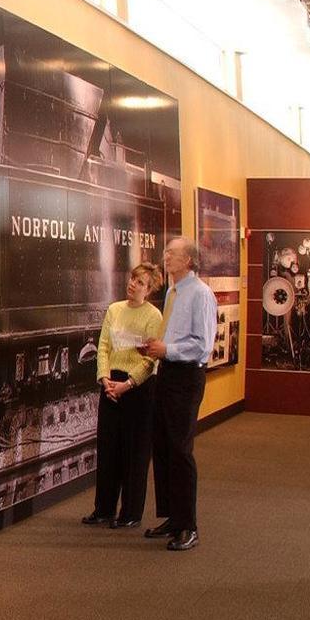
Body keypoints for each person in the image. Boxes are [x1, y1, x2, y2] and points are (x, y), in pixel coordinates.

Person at [144, 236, 215, 552]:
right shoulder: (173, 291)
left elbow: (203, 345)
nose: (166, 257)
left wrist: (168, 349)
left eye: (172, 253)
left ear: (189, 260)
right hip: (167, 372)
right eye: (166, 253)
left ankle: (189, 526)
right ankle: (172, 517)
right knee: (162, 447)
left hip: (186, 376)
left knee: (180, 450)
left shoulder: (200, 294)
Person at [83, 263, 163, 529]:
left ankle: (130, 513)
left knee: (135, 453)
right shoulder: (114, 310)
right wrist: (105, 380)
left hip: (138, 390)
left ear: (148, 289)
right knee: (108, 451)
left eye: (139, 283)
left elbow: (150, 360)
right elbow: (103, 346)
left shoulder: (154, 316)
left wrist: (126, 385)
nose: (132, 285)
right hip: (111, 386)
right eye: (132, 279)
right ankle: (103, 509)